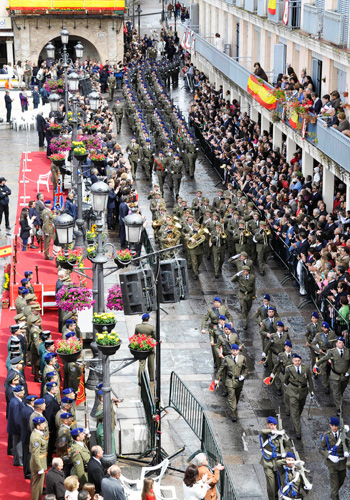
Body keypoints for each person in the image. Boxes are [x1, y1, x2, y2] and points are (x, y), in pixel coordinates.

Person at [259, 416, 291, 500]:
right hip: (268, 462)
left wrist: (285, 453)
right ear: (268, 425)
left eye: (274, 425)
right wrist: (273, 431)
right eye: (271, 425)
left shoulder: (281, 434)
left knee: (278, 484)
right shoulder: (267, 434)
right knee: (271, 485)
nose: (273, 426)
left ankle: (275, 497)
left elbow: (288, 445)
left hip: (278, 462)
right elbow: (262, 431)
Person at [284, 353, 315, 439]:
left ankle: (296, 419)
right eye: (295, 361)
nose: (297, 362)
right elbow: (286, 380)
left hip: (303, 391)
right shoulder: (289, 369)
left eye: (299, 361)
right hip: (293, 392)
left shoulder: (306, 368)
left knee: (300, 408)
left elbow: (310, 380)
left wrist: (312, 391)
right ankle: (298, 431)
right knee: (295, 411)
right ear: (293, 362)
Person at [215, 343, 248, 422]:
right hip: (230, 381)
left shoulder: (242, 358)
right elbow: (221, 369)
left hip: (239, 381)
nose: (235, 352)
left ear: (238, 351)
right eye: (233, 350)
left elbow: (246, 368)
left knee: (237, 396)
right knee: (231, 397)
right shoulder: (227, 359)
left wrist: (243, 375)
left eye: (236, 350)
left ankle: (234, 407)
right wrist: (217, 378)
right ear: (231, 351)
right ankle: (233, 414)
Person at [319, 416, 349, 500]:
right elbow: (321, 449)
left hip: (342, 463)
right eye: (332, 425)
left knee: (341, 481)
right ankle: (334, 495)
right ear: (330, 425)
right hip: (332, 464)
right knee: (334, 487)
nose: (334, 427)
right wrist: (329, 456)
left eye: (336, 425)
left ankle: (333, 493)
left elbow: (348, 444)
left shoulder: (342, 434)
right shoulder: (326, 436)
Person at [231, 265, 256, 330]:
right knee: (244, 310)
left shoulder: (252, 277)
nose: (245, 272)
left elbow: (253, 287)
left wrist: (254, 295)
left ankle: (245, 314)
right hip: (242, 294)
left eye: (246, 271)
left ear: (248, 272)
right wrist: (237, 274)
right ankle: (245, 323)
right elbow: (232, 280)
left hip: (249, 295)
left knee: (248, 307)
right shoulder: (240, 276)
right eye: (244, 271)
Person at [134, 313, 156, 385]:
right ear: (148, 319)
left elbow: (135, 336)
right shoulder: (151, 327)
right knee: (151, 363)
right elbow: (155, 337)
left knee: (142, 364)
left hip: (141, 347)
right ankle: (151, 378)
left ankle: (140, 380)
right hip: (149, 347)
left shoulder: (138, 327)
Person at [30, 416, 49, 500]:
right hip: (38, 464)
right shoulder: (36, 438)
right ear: (38, 426)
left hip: (41, 461)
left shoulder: (39, 434)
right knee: (37, 486)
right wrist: (39, 468)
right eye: (43, 424)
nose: (45, 425)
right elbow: (35, 454)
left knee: (39, 486)